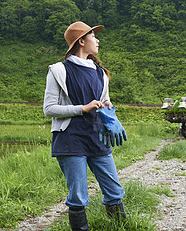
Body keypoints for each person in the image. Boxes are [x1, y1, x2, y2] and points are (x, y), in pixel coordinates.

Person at [43, 21, 126, 231]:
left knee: (114, 190)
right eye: (93, 36)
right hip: (70, 139)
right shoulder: (59, 70)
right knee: (78, 196)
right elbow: (49, 109)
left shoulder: (100, 73)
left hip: (98, 136)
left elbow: (105, 100)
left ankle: (121, 227)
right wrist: (82, 108)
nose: (97, 40)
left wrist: (108, 110)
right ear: (81, 41)